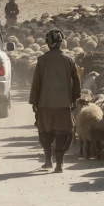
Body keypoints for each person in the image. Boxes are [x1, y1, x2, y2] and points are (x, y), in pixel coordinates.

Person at [29, 29, 82, 173]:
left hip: (45, 104)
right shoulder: (69, 59)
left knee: (45, 131)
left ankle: (48, 161)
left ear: (48, 43)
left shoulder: (42, 60)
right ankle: (59, 164)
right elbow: (76, 81)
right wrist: (74, 98)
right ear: (61, 43)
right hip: (63, 105)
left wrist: (34, 102)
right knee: (63, 133)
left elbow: (36, 83)